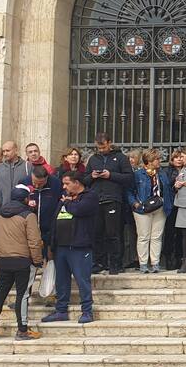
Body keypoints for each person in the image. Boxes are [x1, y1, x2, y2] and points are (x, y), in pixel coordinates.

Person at [0, 186, 44, 341]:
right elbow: (35, 241)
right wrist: (37, 260)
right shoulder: (28, 216)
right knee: (22, 295)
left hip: (4, 260)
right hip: (23, 260)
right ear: (25, 199)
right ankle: (22, 330)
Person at [41, 171, 98, 324]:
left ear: (77, 182)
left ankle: (87, 311)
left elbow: (79, 210)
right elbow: (55, 220)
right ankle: (61, 310)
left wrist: (67, 202)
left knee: (82, 280)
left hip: (79, 246)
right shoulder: (64, 198)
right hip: (61, 247)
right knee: (61, 281)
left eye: (67, 183)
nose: (64, 187)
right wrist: (51, 245)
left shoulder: (89, 196)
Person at [85, 133, 132, 274]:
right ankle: (99, 262)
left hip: (113, 199)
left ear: (109, 143)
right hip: (96, 200)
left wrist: (110, 175)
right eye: (98, 147)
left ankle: (115, 264)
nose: (101, 150)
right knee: (97, 233)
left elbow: (129, 178)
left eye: (103, 147)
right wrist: (92, 176)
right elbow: (84, 180)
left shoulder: (121, 158)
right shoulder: (93, 159)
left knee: (113, 233)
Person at [128, 150, 174, 273]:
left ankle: (155, 263)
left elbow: (167, 190)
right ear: (148, 162)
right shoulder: (138, 174)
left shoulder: (162, 174)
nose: (159, 161)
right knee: (143, 236)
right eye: (157, 159)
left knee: (157, 236)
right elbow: (129, 191)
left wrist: (167, 203)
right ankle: (143, 263)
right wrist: (136, 204)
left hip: (160, 208)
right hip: (143, 209)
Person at [27, 165, 61, 264]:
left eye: (41, 183)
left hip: (50, 226)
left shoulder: (56, 183)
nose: (37, 186)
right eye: (34, 183)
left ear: (47, 178)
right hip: (31, 226)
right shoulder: (24, 182)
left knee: (50, 258)